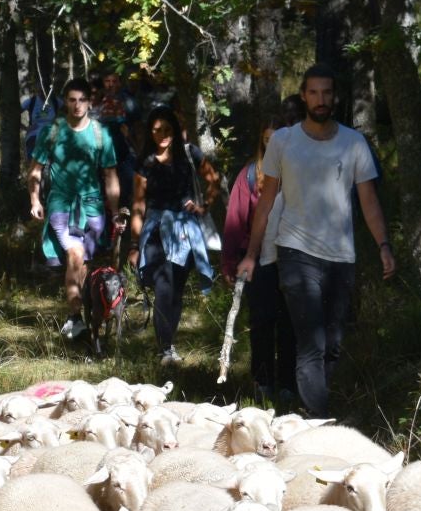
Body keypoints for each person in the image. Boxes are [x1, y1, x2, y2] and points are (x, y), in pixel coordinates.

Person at [235, 66, 396, 418]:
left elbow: (368, 200)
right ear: (304, 96)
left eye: (327, 93)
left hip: (341, 254)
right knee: (310, 341)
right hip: (294, 251)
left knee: (333, 343)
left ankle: (313, 409)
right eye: (314, 93)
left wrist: (383, 245)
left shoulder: (354, 142)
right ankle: (320, 418)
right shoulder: (284, 141)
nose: (321, 100)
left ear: (335, 97)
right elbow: (266, 201)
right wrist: (251, 254)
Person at [222, 99, 304, 402]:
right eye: (267, 140)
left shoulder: (299, 172)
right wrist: (231, 261)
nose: (273, 145)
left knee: (289, 323)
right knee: (261, 322)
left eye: (277, 139)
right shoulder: (248, 176)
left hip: (295, 258)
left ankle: (287, 384)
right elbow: (234, 219)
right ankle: (261, 381)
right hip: (258, 261)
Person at [27, 77, 120, 340]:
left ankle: (83, 317)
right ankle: (75, 317)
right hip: (61, 205)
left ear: (90, 102)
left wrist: (115, 211)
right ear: (65, 102)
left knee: (84, 265)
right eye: (72, 100)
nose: (77, 106)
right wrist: (35, 199)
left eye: (82, 100)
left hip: (92, 207)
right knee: (75, 255)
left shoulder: (102, 134)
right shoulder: (52, 132)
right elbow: (34, 171)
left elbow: (110, 175)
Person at [122, 106, 213, 365]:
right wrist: (133, 244)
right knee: (163, 284)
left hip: (185, 231)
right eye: (156, 130)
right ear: (150, 133)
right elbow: (138, 205)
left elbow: (213, 179)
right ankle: (165, 348)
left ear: (174, 129)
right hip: (155, 229)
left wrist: (203, 205)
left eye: (166, 129)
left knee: (176, 290)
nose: (162, 134)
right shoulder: (145, 163)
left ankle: (168, 345)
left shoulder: (189, 153)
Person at [95, 71, 138, 225]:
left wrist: (132, 140)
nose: (111, 84)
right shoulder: (97, 99)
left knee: (129, 189)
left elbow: (137, 126)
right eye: (107, 80)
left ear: (119, 83)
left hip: (124, 152)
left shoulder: (128, 101)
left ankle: (129, 227)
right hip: (102, 154)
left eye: (114, 81)